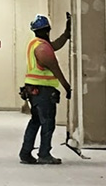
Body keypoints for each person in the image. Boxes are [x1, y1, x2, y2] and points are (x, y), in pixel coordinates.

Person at [19, 13, 72, 165]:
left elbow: (55, 45)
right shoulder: (43, 48)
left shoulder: (36, 44)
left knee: (35, 121)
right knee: (48, 123)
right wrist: (67, 87)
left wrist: (66, 34)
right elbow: (56, 69)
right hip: (43, 91)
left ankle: (25, 153)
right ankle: (44, 154)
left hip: (33, 89)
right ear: (47, 30)